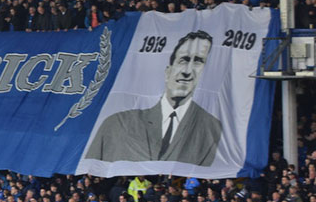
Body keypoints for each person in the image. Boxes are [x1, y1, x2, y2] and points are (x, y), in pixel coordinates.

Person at [84, 30, 222, 166]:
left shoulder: (213, 128)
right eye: (183, 60)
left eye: (198, 62)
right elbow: (89, 166)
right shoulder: (115, 124)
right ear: (168, 71)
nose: (186, 71)